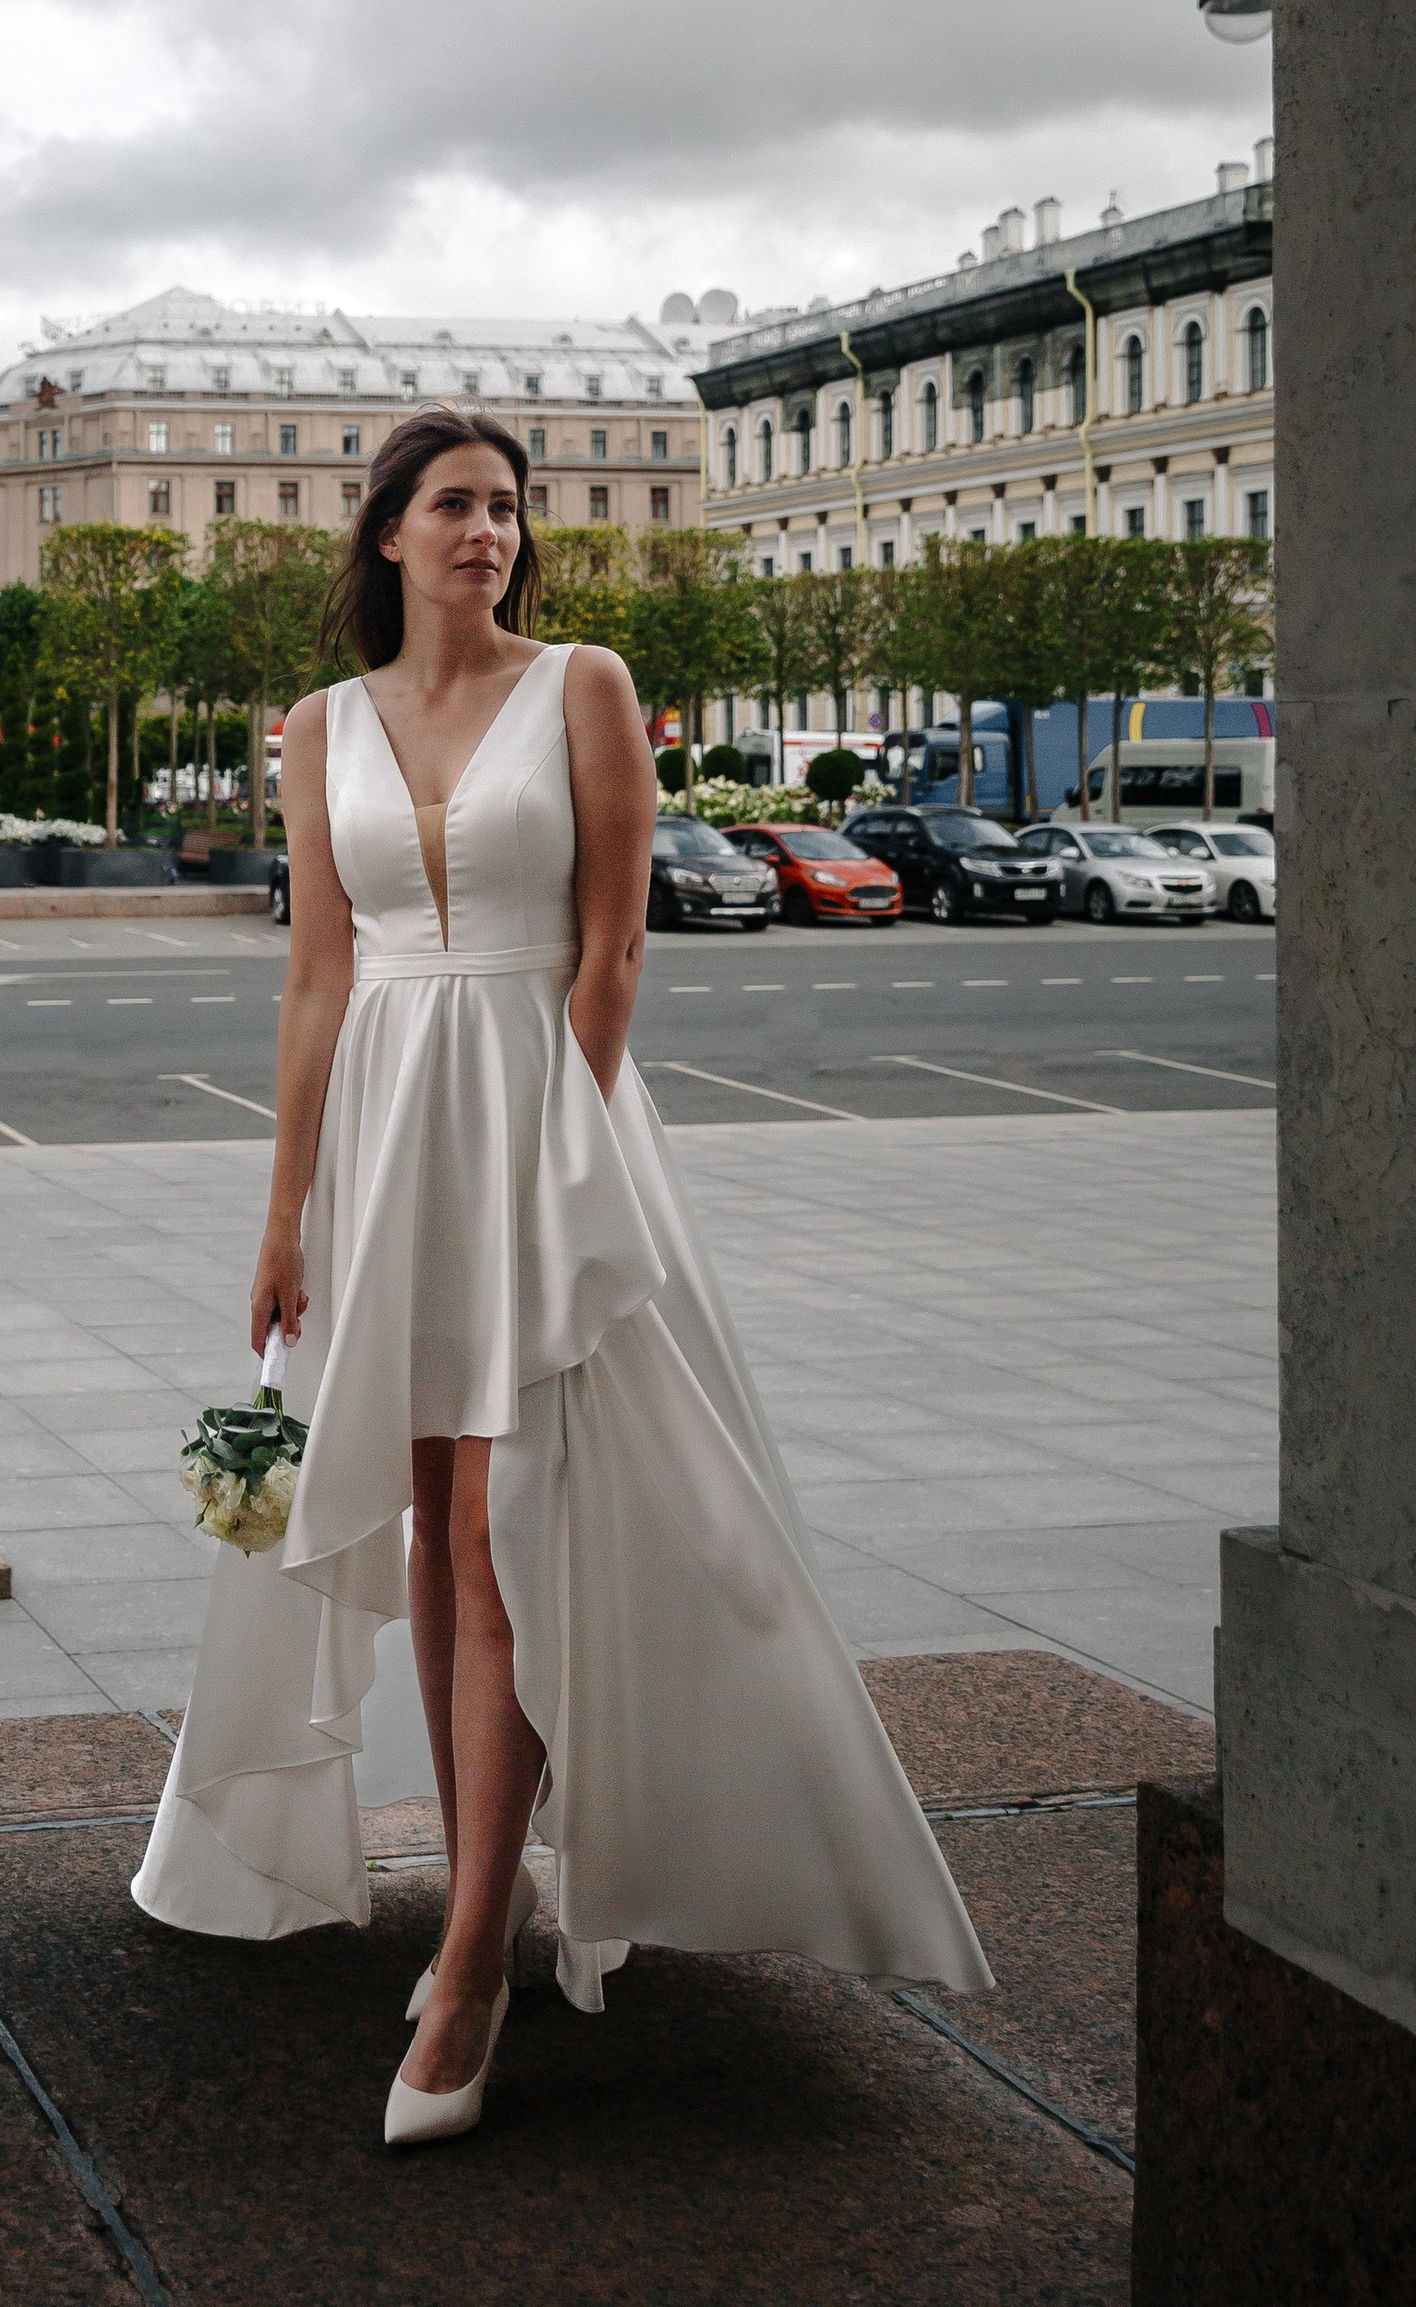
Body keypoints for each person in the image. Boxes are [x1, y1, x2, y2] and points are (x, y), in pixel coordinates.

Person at [132, 407, 989, 2147]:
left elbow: (612, 942)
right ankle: (482, 1901)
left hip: (545, 1126)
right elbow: (315, 978)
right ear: (387, 534)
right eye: (454, 505)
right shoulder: (317, 731)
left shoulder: (583, 681)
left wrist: (563, 1147)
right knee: (438, 1520)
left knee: (507, 1534)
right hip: (384, 1132)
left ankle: (464, 1972)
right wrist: (286, 1210)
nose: (488, 533)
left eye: (507, 508)